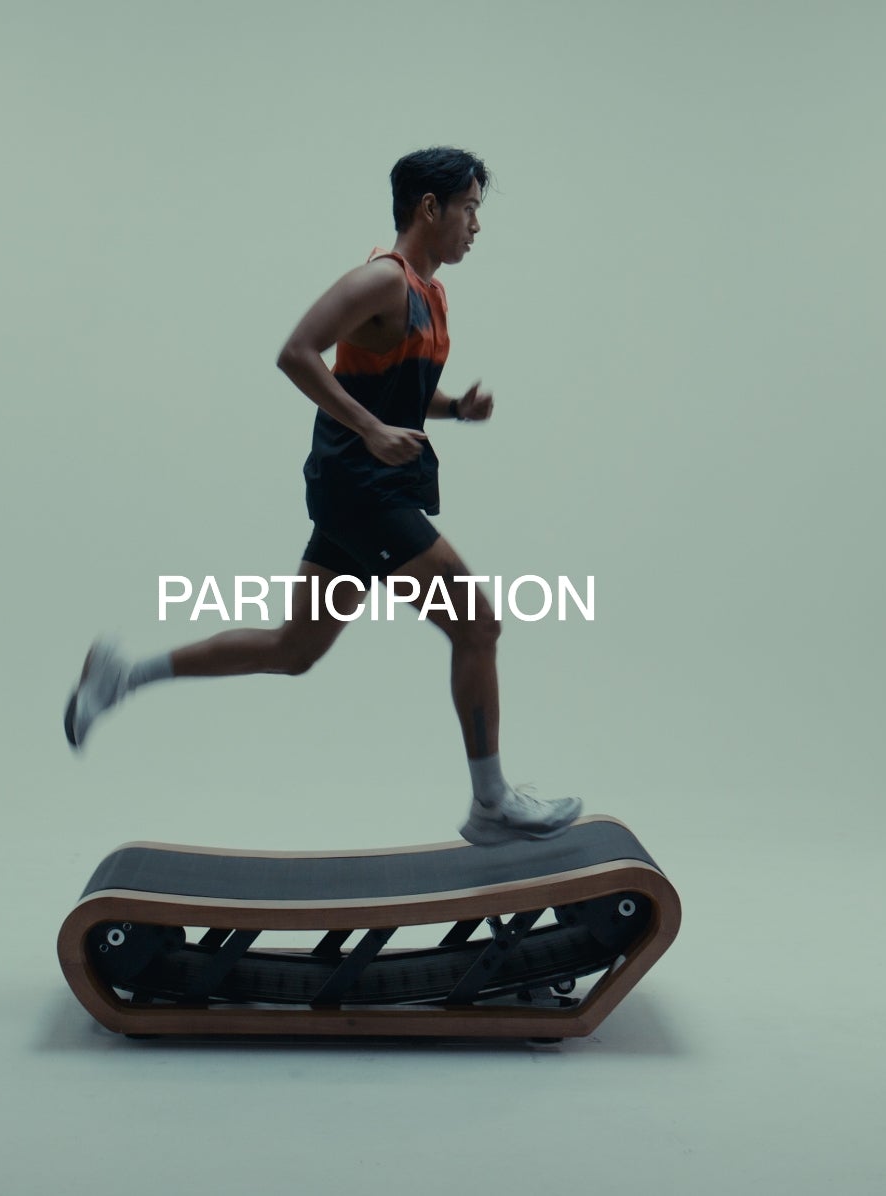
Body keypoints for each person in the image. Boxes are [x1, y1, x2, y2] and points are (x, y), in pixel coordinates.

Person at [63, 146, 582, 846]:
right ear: (429, 208)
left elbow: (386, 388)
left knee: (294, 648)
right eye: (469, 209)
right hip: (362, 489)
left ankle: (121, 678)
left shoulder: (429, 294)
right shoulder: (380, 281)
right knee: (477, 624)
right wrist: (369, 431)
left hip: (364, 490)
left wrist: (454, 409)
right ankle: (490, 803)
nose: (475, 226)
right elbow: (296, 353)